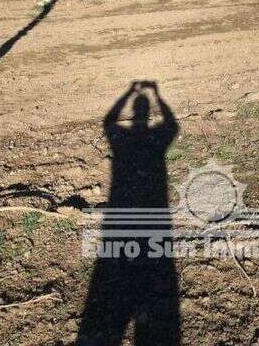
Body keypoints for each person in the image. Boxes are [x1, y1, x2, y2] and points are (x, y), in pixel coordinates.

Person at [77, 81, 181, 346]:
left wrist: (128, 93)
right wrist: (157, 95)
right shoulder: (158, 139)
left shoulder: (120, 140)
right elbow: (172, 124)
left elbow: (109, 121)